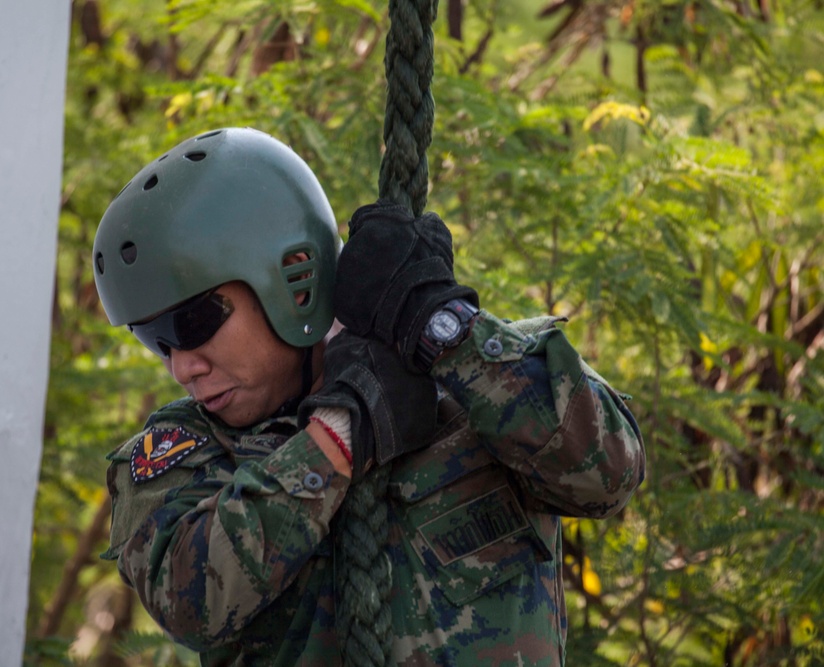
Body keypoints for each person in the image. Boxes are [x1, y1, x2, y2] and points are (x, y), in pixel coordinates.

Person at [94, 127, 645, 666]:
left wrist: (443, 327)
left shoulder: (484, 385)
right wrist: (340, 433)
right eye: (155, 340)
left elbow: (610, 474)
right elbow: (191, 602)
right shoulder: (181, 453)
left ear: (291, 275)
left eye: (194, 322)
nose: (182, 367)